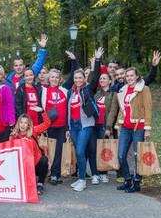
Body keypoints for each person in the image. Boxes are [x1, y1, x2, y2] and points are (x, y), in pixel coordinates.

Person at [67, 47, 103, 192]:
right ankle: (81, 177)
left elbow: (96, 76)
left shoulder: (88, 89)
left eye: (80, 78)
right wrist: (68, 128)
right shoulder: (71, 91)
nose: (77, 80)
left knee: (81, 151)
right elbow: (68, 111)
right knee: (78, 152)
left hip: (85, 125)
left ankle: (82, 180)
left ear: (84, 79)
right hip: (74, 126)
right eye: (75, 78)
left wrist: (98, 60)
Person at [42, 50, 78, 185]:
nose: (54, 80)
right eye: (52, 77)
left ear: (59, 79)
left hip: (62, 126)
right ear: (48, 78)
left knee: (58, 151)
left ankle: (55, 175)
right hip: (48, 126)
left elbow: (74, 74)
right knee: (48, 151)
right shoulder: (43, 90)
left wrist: (74, 60)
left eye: (57, 78)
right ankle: (46, 172)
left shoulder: (64, 90)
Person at [116, 67, 152, 193]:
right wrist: (119, 125)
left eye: (132, 75)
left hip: (139, 127)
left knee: (137, 156)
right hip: (125, 127)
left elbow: (148, 109)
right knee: (121, 155)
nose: (129, 78)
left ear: (137, 76)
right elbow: (122, 110)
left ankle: (137, 182)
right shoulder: (123, 90)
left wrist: (147, 128)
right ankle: (127, 179)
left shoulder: (143, 89)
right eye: (127, 76)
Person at [10, 112, 51, 195]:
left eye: (25, 123)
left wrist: (42, 112)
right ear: (18, 123)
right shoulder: (14, 136)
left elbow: (47, 124)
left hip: (35, 164)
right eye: (21, 122)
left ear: (28, 125)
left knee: (44, 160)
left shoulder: (33, 130)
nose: (23, 125)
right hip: (23, 166)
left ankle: (40, 183)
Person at [90, 72, 119, 183]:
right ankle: (95, 173)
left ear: (110, 81)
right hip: (94, 125)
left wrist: (108, 127)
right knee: (94, 149)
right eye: (100, 78)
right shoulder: (96, 93)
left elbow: (113, 112)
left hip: (104, 126)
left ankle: (104, 172)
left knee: (104, 149)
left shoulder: (113, 94)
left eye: (104, 78)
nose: (101, 80)